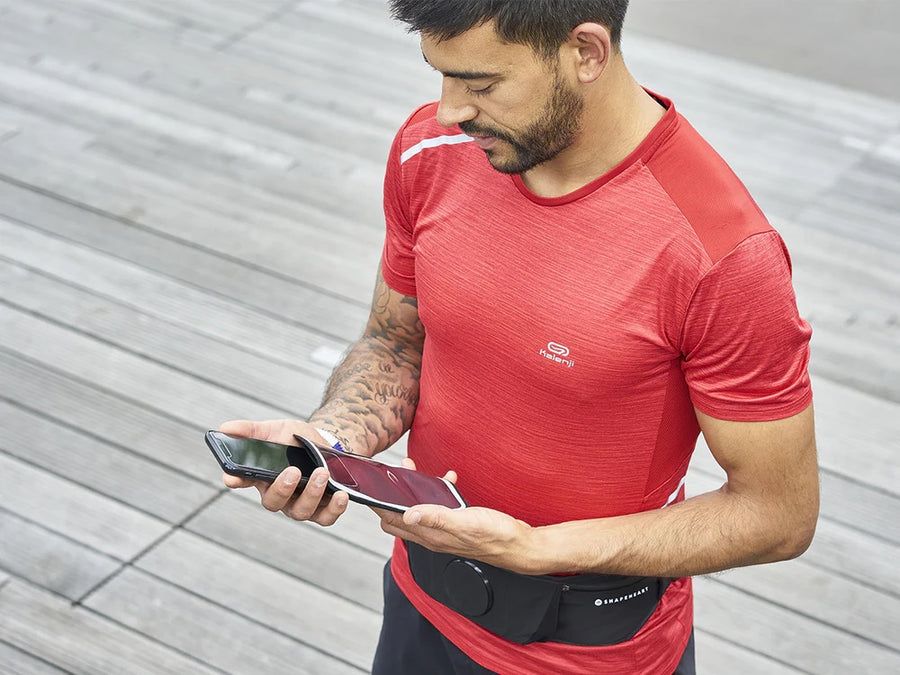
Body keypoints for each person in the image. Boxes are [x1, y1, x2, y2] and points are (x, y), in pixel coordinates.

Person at [220, 1, 819, 673]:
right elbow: (395, 341)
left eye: (480, 83)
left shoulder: (724, 255)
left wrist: (536, 551)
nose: (450, 110)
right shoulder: (430, 151)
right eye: (441, 74)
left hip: (592, 653)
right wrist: (333, 442)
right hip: (420, 599)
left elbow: (778, 515)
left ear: (585, 52)